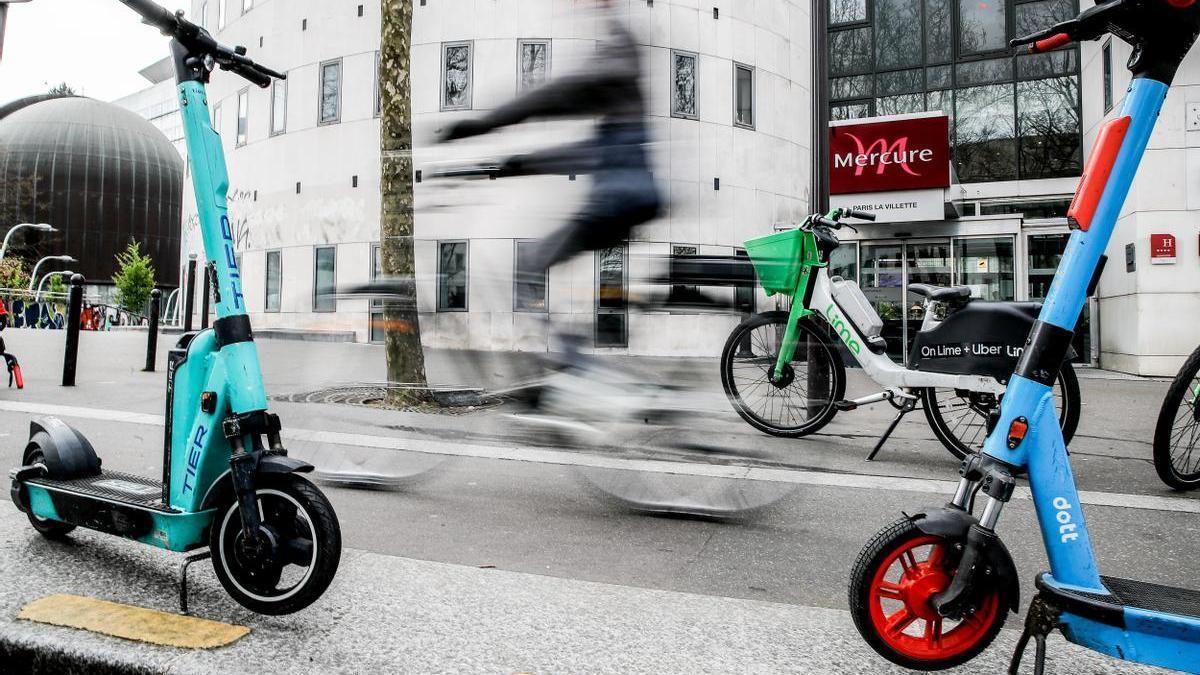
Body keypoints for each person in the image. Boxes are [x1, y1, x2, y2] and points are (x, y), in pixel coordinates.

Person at [437, 0, 661, 278]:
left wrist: (488, 123)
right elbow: (587, 152)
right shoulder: (621, 119)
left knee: (528, 263)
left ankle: (548, 320)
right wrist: (518, 164)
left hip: (615, 203)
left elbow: (558, 95)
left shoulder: (617, 62)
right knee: (538, 259)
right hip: (627, 203)